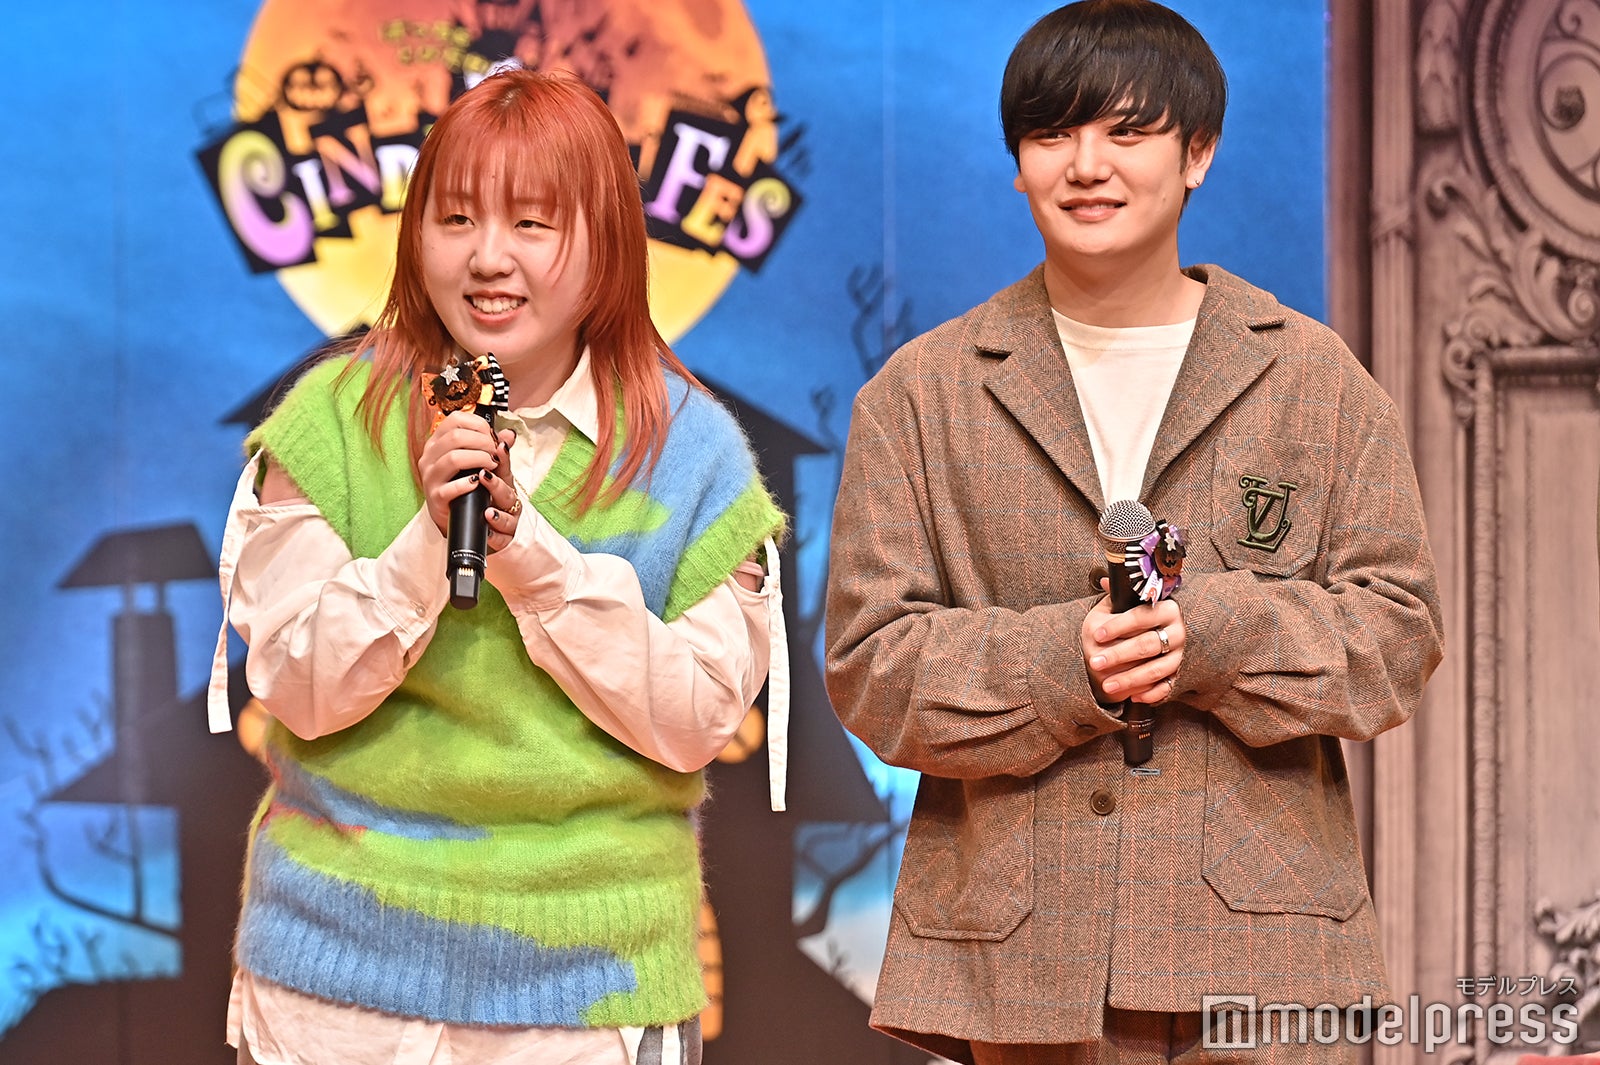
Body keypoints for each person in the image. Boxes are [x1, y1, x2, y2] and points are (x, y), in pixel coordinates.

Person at [823, 2, 1443, 1062]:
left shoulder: (1313, 378)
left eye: (1126, 131)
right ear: (1018, 163)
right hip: (1021, 957)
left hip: (1267, 950)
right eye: (1052, 133)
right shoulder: (919, 396)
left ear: (1197, 153)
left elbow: (1398, 637)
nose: (1085, 165)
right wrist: (1063, 661)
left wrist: (1216, 637)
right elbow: (871, 666)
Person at [206, 68, 785, 1065]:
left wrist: (534, 562)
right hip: (335, 987)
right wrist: (426, 545)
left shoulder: (695, 455)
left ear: (606, 241)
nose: (487, 258)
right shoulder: (330, 423)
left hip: (588, 996)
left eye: (532, 223)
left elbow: (696, 718)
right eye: (456, 218)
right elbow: (297, 688)